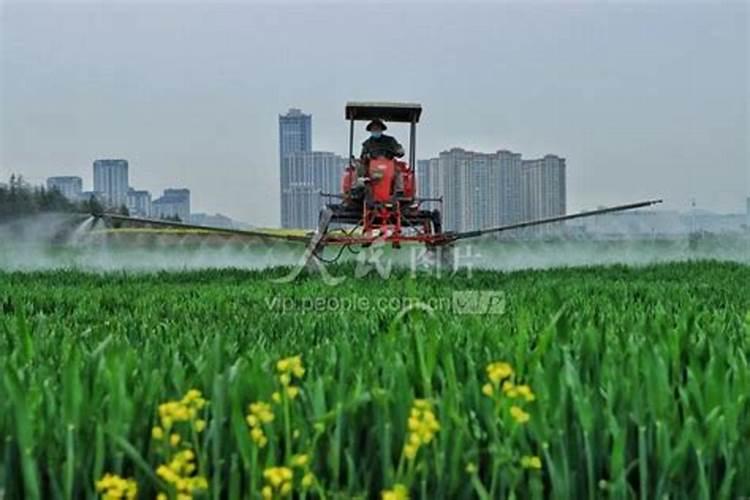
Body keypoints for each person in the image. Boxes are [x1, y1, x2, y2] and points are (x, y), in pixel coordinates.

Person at [355, 119, 406, 195]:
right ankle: (360, 187)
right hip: (372, 166)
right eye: (374, 129)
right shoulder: (367, 144)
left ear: (381, 129)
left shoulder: (390, 141)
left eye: (377, 128)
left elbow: (398, 149)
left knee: (398, 171)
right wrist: (366, 156)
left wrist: (399, 151)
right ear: (371, 130)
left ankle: (399, 190)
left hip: (389, 164)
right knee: (358, 166)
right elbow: (363, 156)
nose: (376, 130)